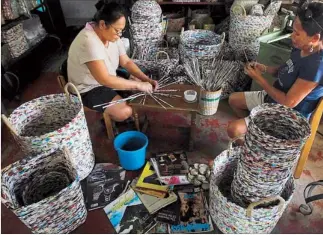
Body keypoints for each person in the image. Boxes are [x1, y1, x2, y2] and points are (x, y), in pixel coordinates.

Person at [227, 1, 323, 139]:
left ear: (315, 38)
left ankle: (259, 139)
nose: (292, 36)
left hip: (287, 116)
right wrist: (264, 68)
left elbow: (288, 102)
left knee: (234, 129)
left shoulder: (316, 66)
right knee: (233, 99)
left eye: (297, 33)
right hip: (273, 98)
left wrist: (259, 78)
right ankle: (255, 136)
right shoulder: (302, 46)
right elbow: (285, 69)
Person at [68, 2, 158, 122]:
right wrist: (139, 84)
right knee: (125, 111)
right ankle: (110, 120)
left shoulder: (112, 36)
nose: (119, 35)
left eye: (122, 30)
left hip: (107, 78)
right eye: (117, 30)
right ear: (103, 24)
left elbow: (126, 62)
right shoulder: (89, 42)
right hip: (88, 89)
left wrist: (146, 79)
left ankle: (117, 108)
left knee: (138, 80)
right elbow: (105, 79)